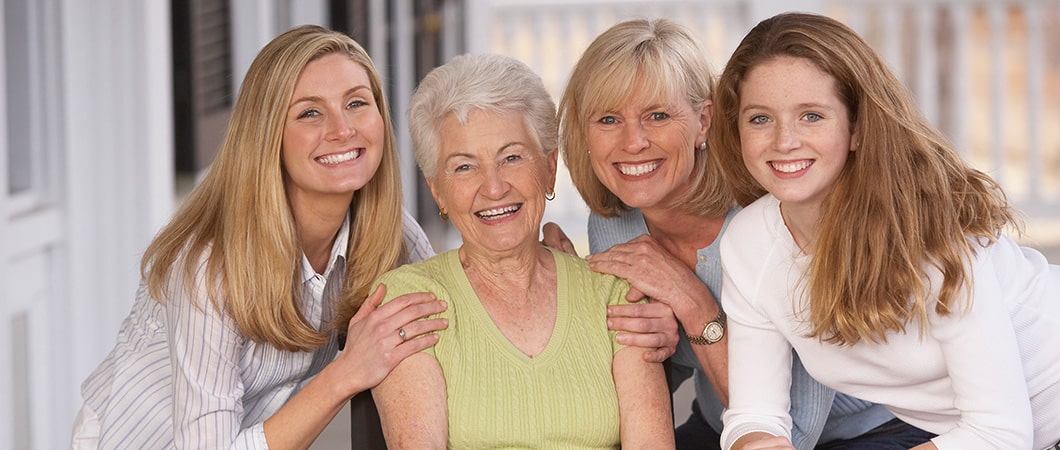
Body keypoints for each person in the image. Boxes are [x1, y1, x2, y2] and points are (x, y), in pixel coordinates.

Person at [547, 18, 929, 449]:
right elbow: (640, 389)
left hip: (873, 431)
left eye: (658, 115)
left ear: (703, 121)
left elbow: (792, 433)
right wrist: (575, 312)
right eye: (608, 119)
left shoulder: (773, 216)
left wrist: (693, 304)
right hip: (723, 427)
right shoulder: (614, 224)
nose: (633, 142)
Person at [713, 12, 1060, 450]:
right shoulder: (748, 246)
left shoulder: (927, 234)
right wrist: (759, 443)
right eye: (760, 119)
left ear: (856, 129)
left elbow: (1000, 433)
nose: (784, 141)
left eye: (811, 116)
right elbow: (755, 414)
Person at [72, 25, 448, 449]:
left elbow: (451, 311)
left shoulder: (386, 231)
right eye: (310, 113)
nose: (343, 129)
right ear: (268, 135)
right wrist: (346, 373)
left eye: (357, 103)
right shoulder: (210, 266)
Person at [370, 53, 674, 449]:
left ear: (549, 169)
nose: (494, 187)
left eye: (511, 157)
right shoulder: (410, 300)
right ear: (437, 191)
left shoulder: (614, 293)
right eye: (464, 167)